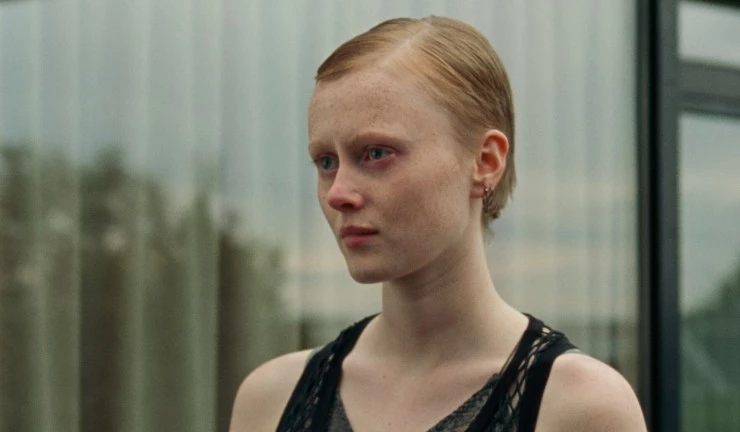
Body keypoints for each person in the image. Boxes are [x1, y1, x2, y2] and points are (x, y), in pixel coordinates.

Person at [229, 16, 647, 432]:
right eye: (325, 162)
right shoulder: (270, 399)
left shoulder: (579, 406)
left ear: (486, 161)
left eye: (376, 153)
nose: (338, 192)